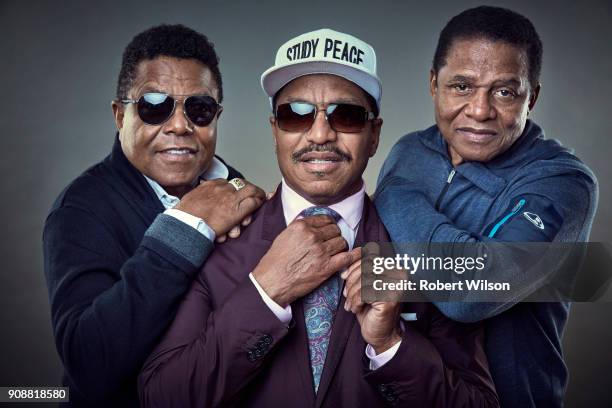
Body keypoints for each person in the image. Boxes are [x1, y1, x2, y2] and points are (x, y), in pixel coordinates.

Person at [138, 28, 499, 407]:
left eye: (346, 115)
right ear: (274, 130)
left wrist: (391, 344)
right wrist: (266, 294)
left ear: (374, 135)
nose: (320, 134)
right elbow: (162, 396)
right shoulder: (220, 241)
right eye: (296, 115)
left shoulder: (420, 250)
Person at [374, 6, 598, 408]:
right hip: (402, 388)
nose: (480, 111)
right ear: (433, 84)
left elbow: (470, 292)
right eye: (461, 86)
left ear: (534, 97)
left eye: (504, 92)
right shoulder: (410, 151)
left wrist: (395, 195)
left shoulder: (562, 182)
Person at [42, 24, 265, 407]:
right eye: (155, 106)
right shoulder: (80, 209)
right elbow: (89, 365)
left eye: (199, 109)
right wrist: (185, 226)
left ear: (216, 117)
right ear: (119, 115)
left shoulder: (236, 192)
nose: (179, 125)